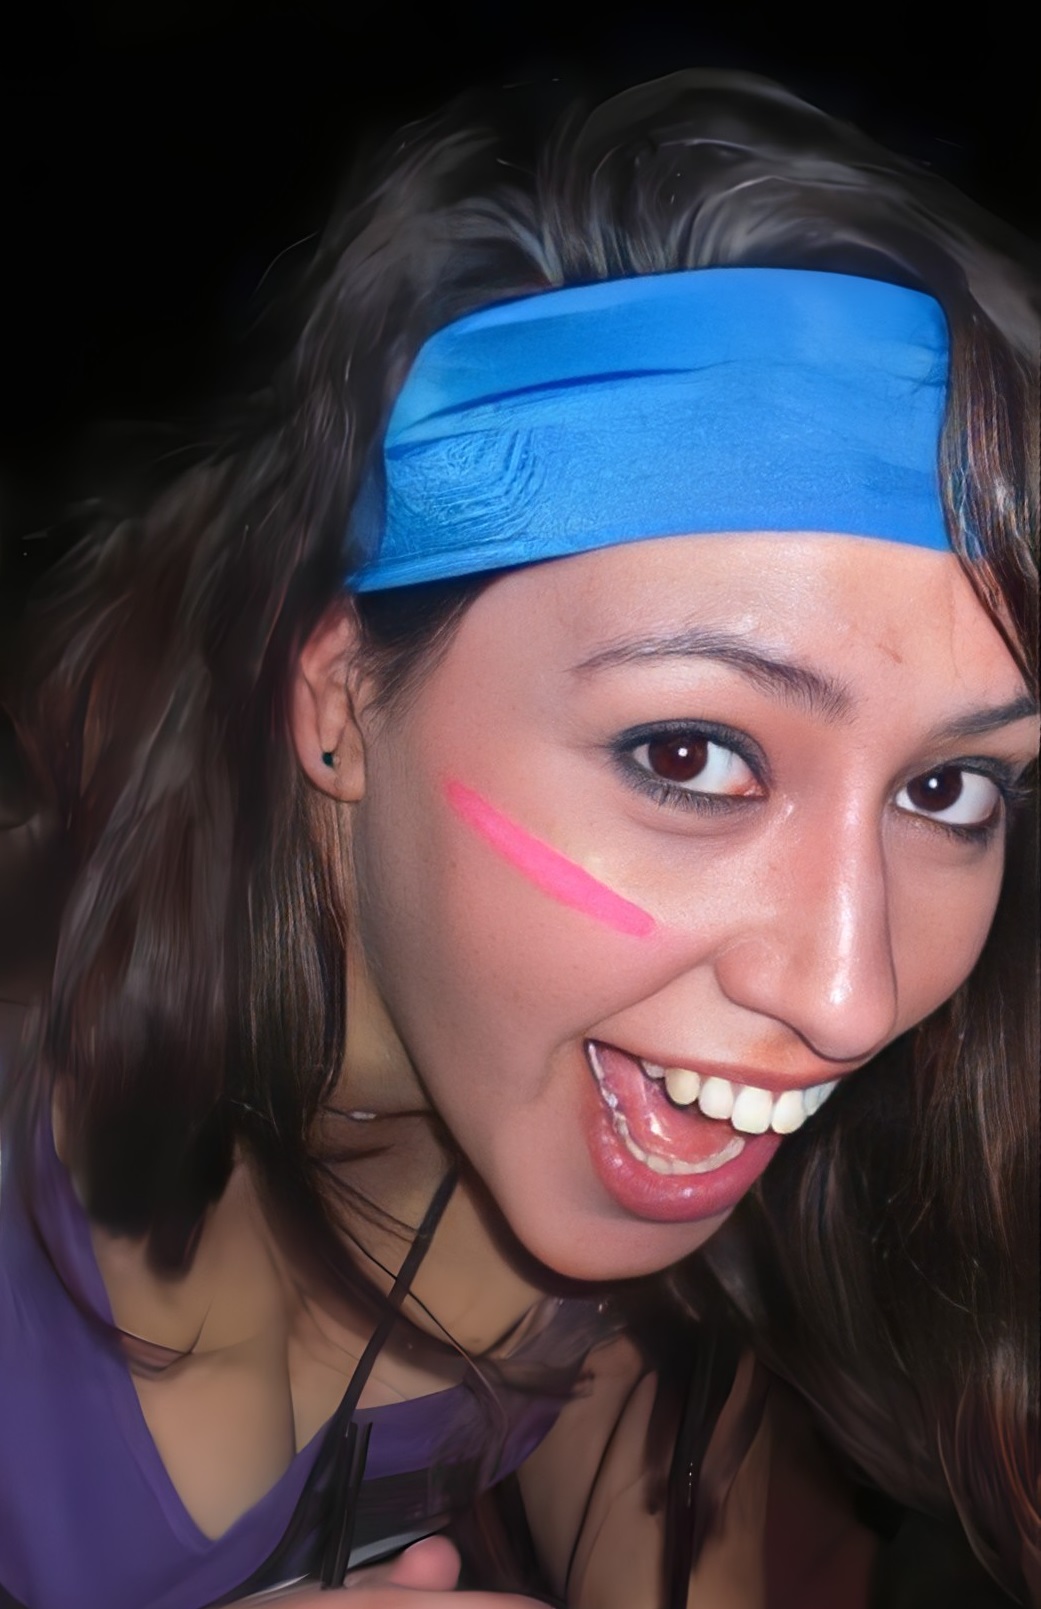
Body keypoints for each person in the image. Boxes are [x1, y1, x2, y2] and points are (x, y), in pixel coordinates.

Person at [0, 69, 1036, 1609]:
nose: (848, 996)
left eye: (949, 788)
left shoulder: (631, 1130)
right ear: (342, 699)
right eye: (688, 754)